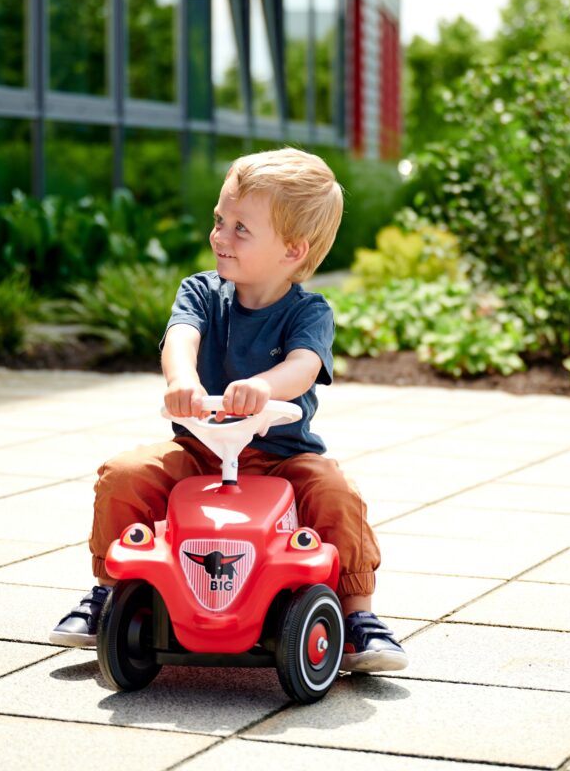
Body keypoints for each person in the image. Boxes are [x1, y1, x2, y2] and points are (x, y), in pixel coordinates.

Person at [50, 147, 408, 672]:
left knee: (336, 493)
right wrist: (183, 381)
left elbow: (305, 365)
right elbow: (181, 337)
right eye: (220, 220)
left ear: (292, 250)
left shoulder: (309, 311)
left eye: (241, 228)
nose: (220, 236)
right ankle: (108, 591)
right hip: (199, 450)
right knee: (125, 475)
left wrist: (265, 387)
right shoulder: (200, 291)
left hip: (282, 455)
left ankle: (358, 617)